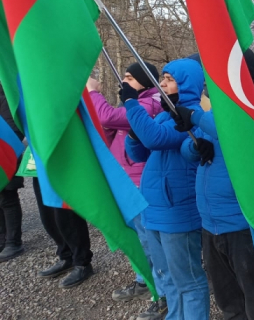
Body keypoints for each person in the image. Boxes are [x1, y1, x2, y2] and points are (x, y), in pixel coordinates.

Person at [171, 48, 254, 320]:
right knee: (228, 303)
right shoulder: (216, 107)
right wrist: (197, 147)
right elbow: (188, 147)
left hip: (245, 225)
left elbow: (246, 129)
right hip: (211, 223)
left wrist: (196, 117)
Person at [124, 58, 210, 320]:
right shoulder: (163, 113)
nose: (162, 83)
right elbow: (137, 151)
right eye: (162, 78)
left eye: (170, 79)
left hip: (178, 212)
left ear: (187, 83)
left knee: (189, 281)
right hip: (155, 208)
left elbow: (158, 138)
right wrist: (134, 131)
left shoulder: (193, 117)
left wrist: (132, 105)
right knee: (168, 278)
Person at [88, 62, 165, 303]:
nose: (124, 82)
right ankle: (144, 279)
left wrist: (93, 92)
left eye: (130, 78)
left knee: (148, 237)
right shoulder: (136, 102)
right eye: (124, 77)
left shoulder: (150, 104)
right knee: (137, 235)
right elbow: (106, 124)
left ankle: (160, 291)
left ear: (145, 81)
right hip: (126, 179)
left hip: (140, 180)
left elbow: (107, 116)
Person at [33, 177, 94, 288]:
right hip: (38, 164)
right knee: (47, 214)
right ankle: (66, 256)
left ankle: (82, 262)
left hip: (61, 163)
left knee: (65, 213)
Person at [0, 85, 26, 262]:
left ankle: (13, 242)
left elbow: (14, 128)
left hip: (5, 153)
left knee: (7, 198)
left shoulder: (6, 93)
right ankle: (2, 240)